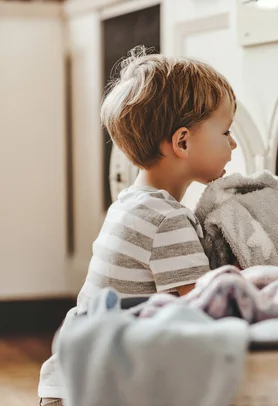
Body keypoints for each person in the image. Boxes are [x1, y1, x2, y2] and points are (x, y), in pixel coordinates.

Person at [38, 46, 238, 406]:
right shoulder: (168, 220)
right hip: (99, 389)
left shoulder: (132, 203)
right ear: (182, 142)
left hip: (73, 377)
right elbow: (202, 314)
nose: (234, 144)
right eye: (225, 132)